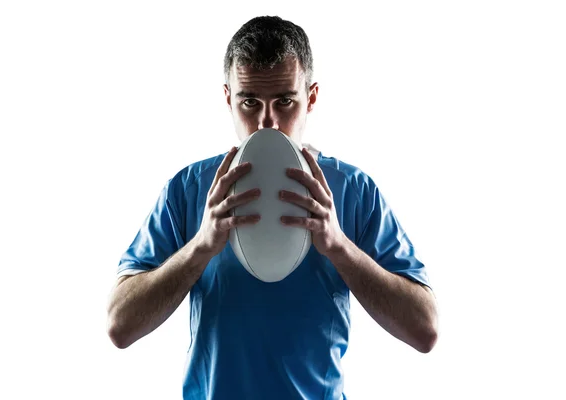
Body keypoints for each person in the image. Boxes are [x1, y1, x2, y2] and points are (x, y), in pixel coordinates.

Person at [106, 15, 439, 400]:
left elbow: (425, 329)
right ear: (229, 99)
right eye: (250, 102)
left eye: (285, 101)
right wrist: (200, 247)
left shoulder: (352, 189)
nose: (268, 123)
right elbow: (119, 325)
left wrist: (339, 247)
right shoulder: (190, 189)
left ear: (311, 97)